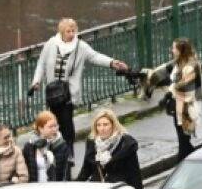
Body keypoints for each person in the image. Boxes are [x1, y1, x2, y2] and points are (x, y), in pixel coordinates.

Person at [29, 17, 128, 150]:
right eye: (68, 31)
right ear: (61, 32)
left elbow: (95, 56)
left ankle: (68, 151)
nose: (71, 34)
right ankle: (57, 149)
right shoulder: (51, 44)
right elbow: (41, 63)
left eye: (73, 31)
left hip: (68, 92)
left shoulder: (80, 46)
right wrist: (36, 81)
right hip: (53, 92)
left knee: (66, 121)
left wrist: (112, 62)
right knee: (54, 121)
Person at [76, 107, 143, 189]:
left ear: (113, 125)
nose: (102, 128)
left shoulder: (125, 144)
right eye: (98, 125)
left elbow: (134, 174)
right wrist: (74, 186)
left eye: (105, 124)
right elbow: (86, 169)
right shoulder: (92, 143)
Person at [22, 111, 71, 182]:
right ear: (40, 128)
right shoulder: (30, 146)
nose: (54, 129)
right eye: (50, 127)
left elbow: (66, 173)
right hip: (34, 188)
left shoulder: (62, 146)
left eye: (56, 125)